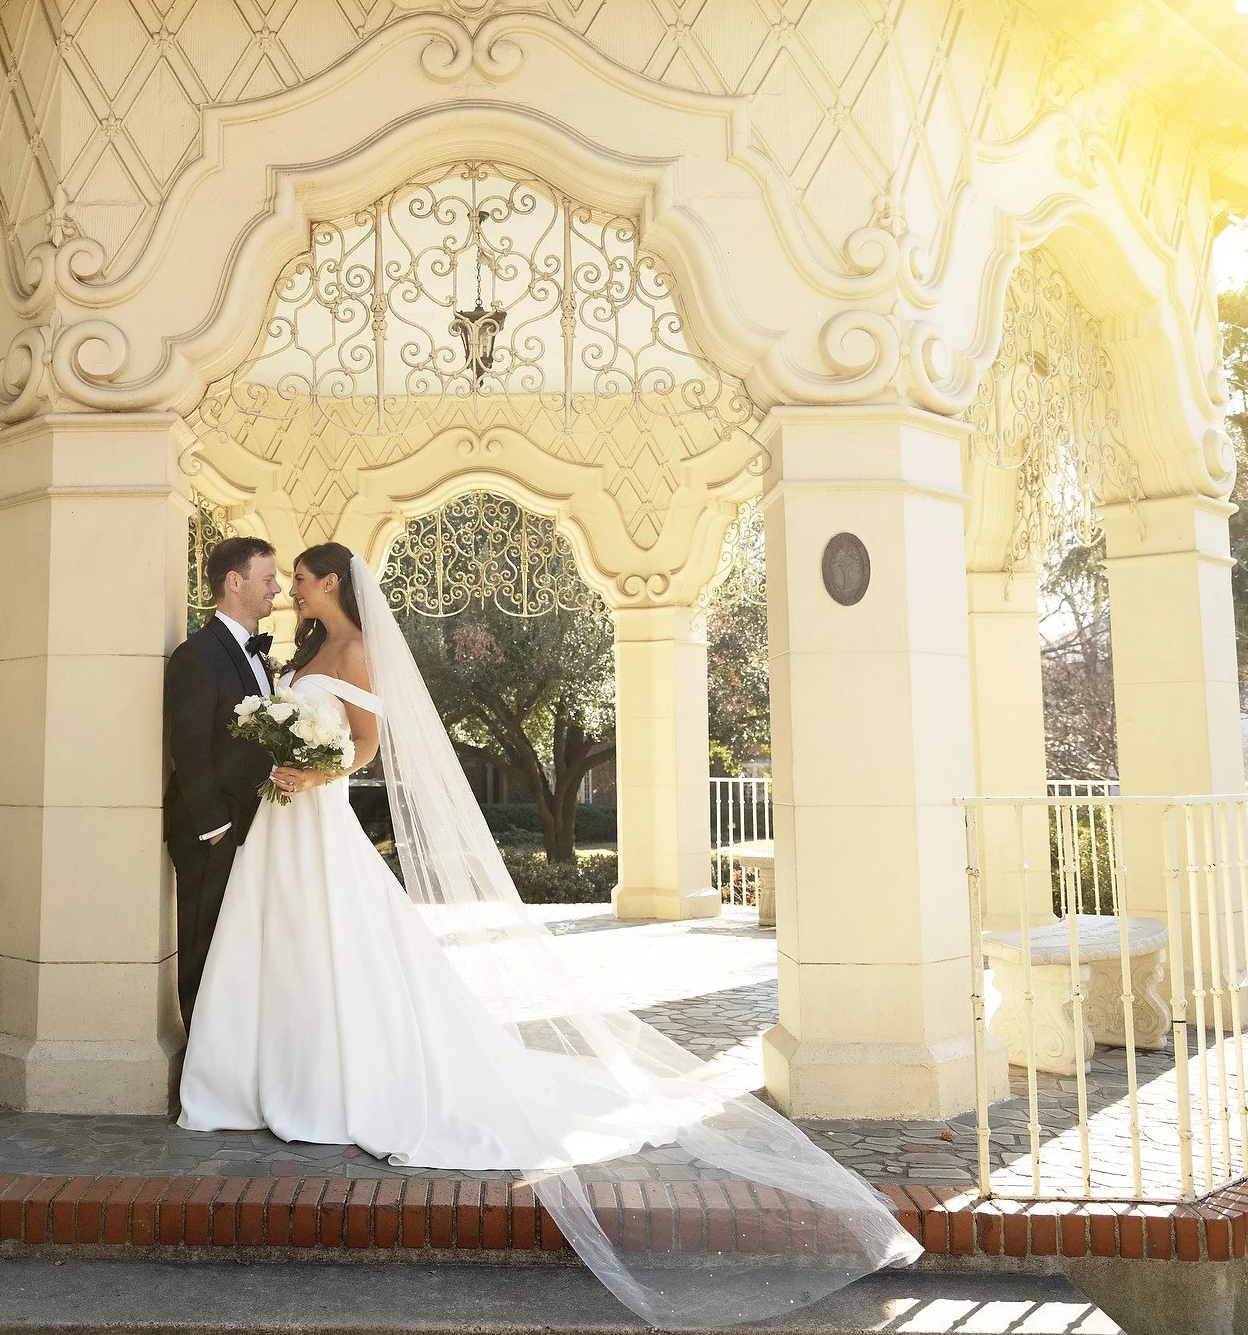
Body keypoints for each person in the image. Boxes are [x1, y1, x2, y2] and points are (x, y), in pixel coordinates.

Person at [172, 541, 921, 1328]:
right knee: (280, 954)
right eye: (278, 577)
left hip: (316, 818)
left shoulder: (359, 649)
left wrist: (315, 771)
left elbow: (364, 746)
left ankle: (332, 1078)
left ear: (330, 583)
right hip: (280, 832)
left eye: (297, 576)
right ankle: (259, 1071)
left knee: (339, 956)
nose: (288, 587)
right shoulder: (310, 649)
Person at [162, 535, 279, 1034]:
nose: (277, 589)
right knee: (203, 945)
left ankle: (232, 1053)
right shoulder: (197, 655)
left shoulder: (254, 653)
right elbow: (187, 747)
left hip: (255, 826)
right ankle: (201, 1066)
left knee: (238, 948)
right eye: (268, 578)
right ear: (235, 582)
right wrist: (215, 827)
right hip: (215, 831)